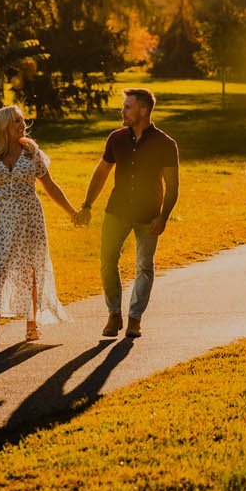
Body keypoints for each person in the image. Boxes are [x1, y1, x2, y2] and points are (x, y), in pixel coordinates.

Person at [74, 87, 179, 339]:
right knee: (107, 261)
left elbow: (173, 185)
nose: (123, 110)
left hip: (149, 214)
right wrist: (87, 205)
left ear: (143, 110)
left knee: (144, 266)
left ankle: (134, 318)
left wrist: (163, 217)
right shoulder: (116, 139)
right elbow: (101, 173)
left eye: (128, 107)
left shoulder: (165, 144)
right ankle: (113, 314)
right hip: (116, 211)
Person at [0, 104, 79, 346]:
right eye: (17, 122)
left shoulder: (32, 153)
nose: (23, 126)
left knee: (30, 271)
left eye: (23, 121)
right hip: (0, 218)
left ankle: (32, 327)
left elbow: (50, 186)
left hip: (29, 217)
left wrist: (72, 212)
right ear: (3, 126)